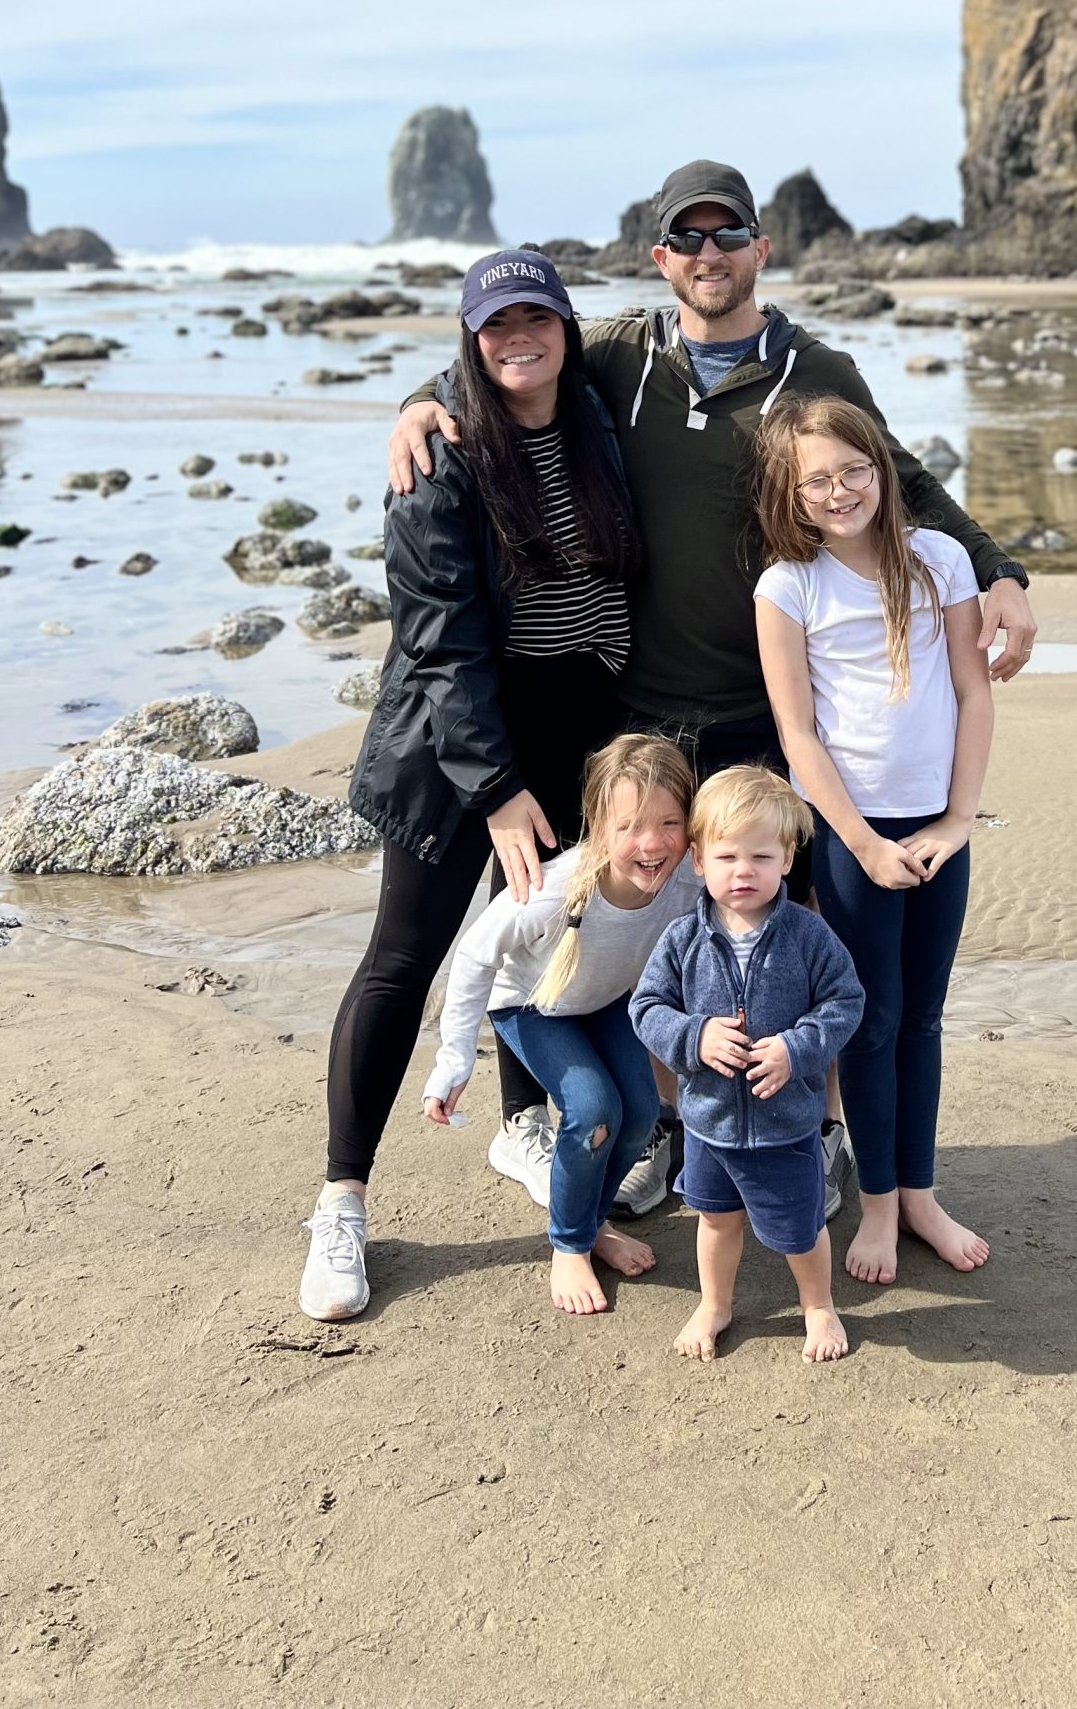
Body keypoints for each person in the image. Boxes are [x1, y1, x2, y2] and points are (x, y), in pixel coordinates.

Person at [389, 159, 1037, 1215]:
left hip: (773, 714)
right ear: (660, 260)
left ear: (759, 249)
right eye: (686, 241)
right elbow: (510, 361)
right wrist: (418, 406)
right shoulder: (620, 353)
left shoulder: (815, 365)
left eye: (726, 235)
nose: (708, 256)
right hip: (641, 713)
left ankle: (820, 1133)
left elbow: (900, 476)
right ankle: (664, 1131)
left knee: (790, 927)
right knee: (658, 926)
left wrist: (999, 568)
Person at [299, 247, 640, 1324]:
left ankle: (525, 1125)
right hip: (461, 751)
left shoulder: (598, 412)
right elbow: (439, 639)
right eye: (495, 325)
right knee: (405, 959)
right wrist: (495, 790)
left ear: (566, 325)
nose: (517, 339)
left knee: (543, 949)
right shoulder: (442, 447)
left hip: (576, 737)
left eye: (535, 316)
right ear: (469, 336)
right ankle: (343, 1201)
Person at [753, 394, 993, 1286]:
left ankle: (921, 1193)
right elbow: (799, 734)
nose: (841, 490)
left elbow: (973, 690)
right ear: (795, 494)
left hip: (940, 827)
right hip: (855, 839)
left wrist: (959, 818)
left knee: (923, 1018)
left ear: (882, 469)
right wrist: (858, 843)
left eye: (854, 470)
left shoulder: (940, 559)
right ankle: (880, 1206)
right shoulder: (790, 586)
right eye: (818, 481)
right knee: (871, 1019)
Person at [421, 733, 697, 1317]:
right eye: (628, 828)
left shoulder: (688, 877)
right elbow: (473, 957)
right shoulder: (554, 892)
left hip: (601, 999)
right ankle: (569, 1244)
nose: (651, 844)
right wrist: (454, 1060)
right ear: (597, 825)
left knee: (643, 1112)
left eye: (670, 822)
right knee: (594, 1109)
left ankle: (592, 1223)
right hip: (531, 1003)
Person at [631, 766, 864, 1364]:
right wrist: (695, 1036)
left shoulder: (809, 937)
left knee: (800, 1228)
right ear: (698, 861)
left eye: (761, 856)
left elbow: (846, 1002)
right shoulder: (683, 939)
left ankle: (818, 1305)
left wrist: (797, 1047)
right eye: (727, 855)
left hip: (786, 1123)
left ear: (787, 859)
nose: (744, 871)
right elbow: (647, 1008)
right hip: (708, 1122)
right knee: (714, 1221)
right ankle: (715, 1303)